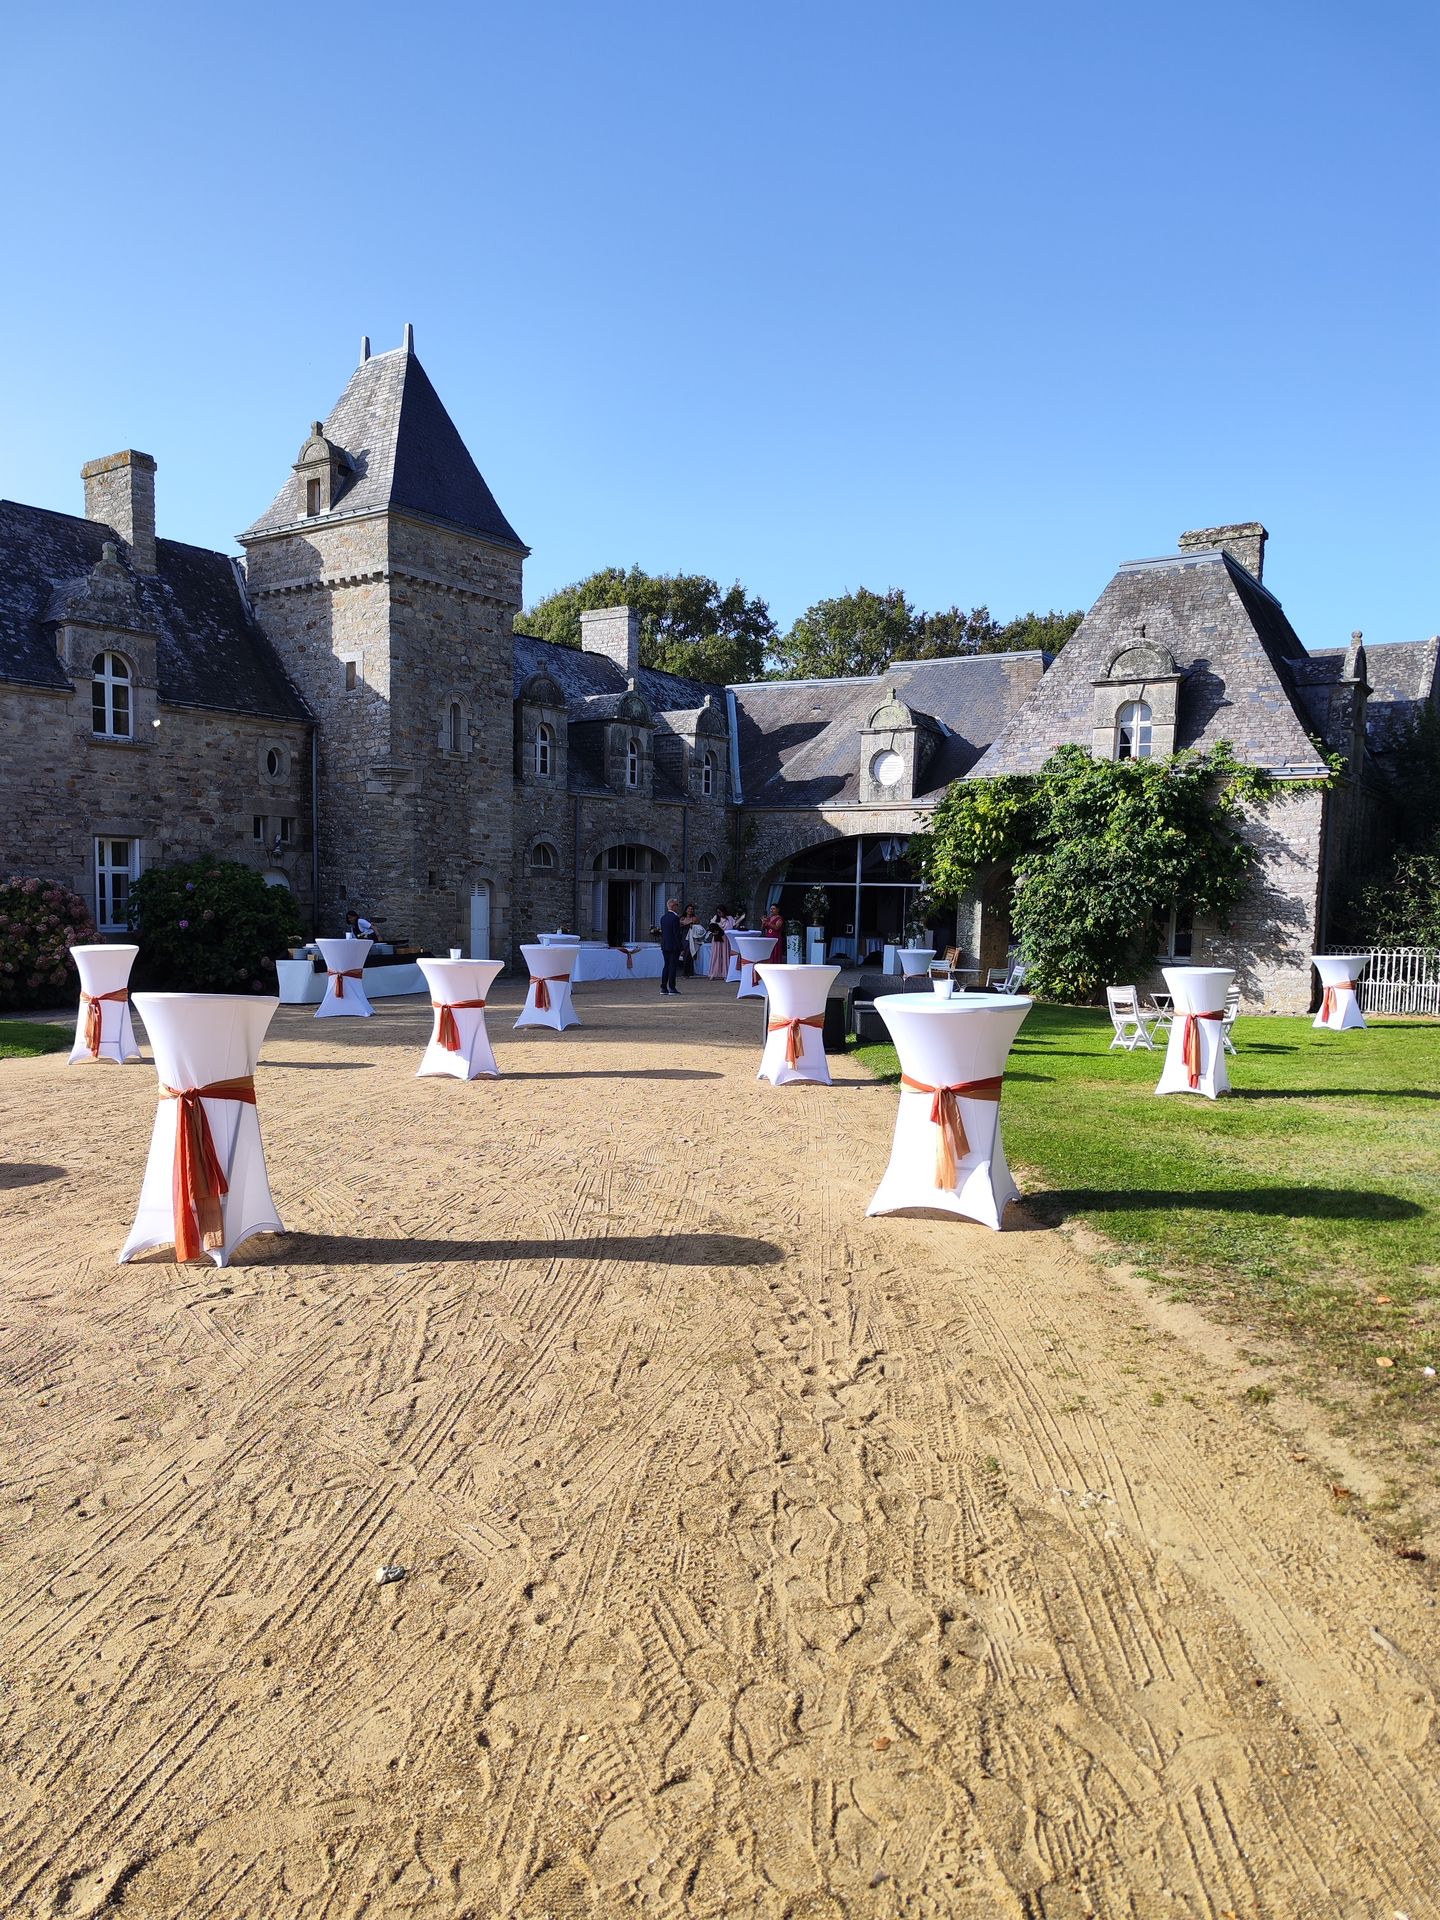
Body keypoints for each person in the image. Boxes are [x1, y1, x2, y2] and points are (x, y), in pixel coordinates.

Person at [658, 897, 683, 996]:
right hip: (673, 946)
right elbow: (676, 934)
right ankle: (672, 987)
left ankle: (663, 987)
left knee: (666, 966)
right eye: (677, 905)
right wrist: (681, 947)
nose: (678, 907)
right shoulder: (675, 918)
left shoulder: (663, 918)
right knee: (672, 967)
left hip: (665, 945)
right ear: (673, 906)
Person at [707, 906, 732, 980]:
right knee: (716, 955)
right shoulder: (715, 918)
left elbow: (732, 926)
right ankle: (713, 973)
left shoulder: (729, 918)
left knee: (725, 955)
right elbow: (711, 926)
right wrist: (714, 929)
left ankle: (725, 973)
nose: (719, 914)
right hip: (717, 938)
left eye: (720, 912)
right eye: (718, 912)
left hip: (725, 938)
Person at [680, 905, 702, 977]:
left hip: (692, 937)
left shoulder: (694, 918)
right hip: (684, 937)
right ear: (686, 910)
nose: (690, 910)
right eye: (689, 909)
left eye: (691, 909)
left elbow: (698, 925)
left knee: (690, 953)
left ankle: (690, 972)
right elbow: (680, 926)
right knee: (685, 953)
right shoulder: (682, 918)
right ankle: (685, 972)